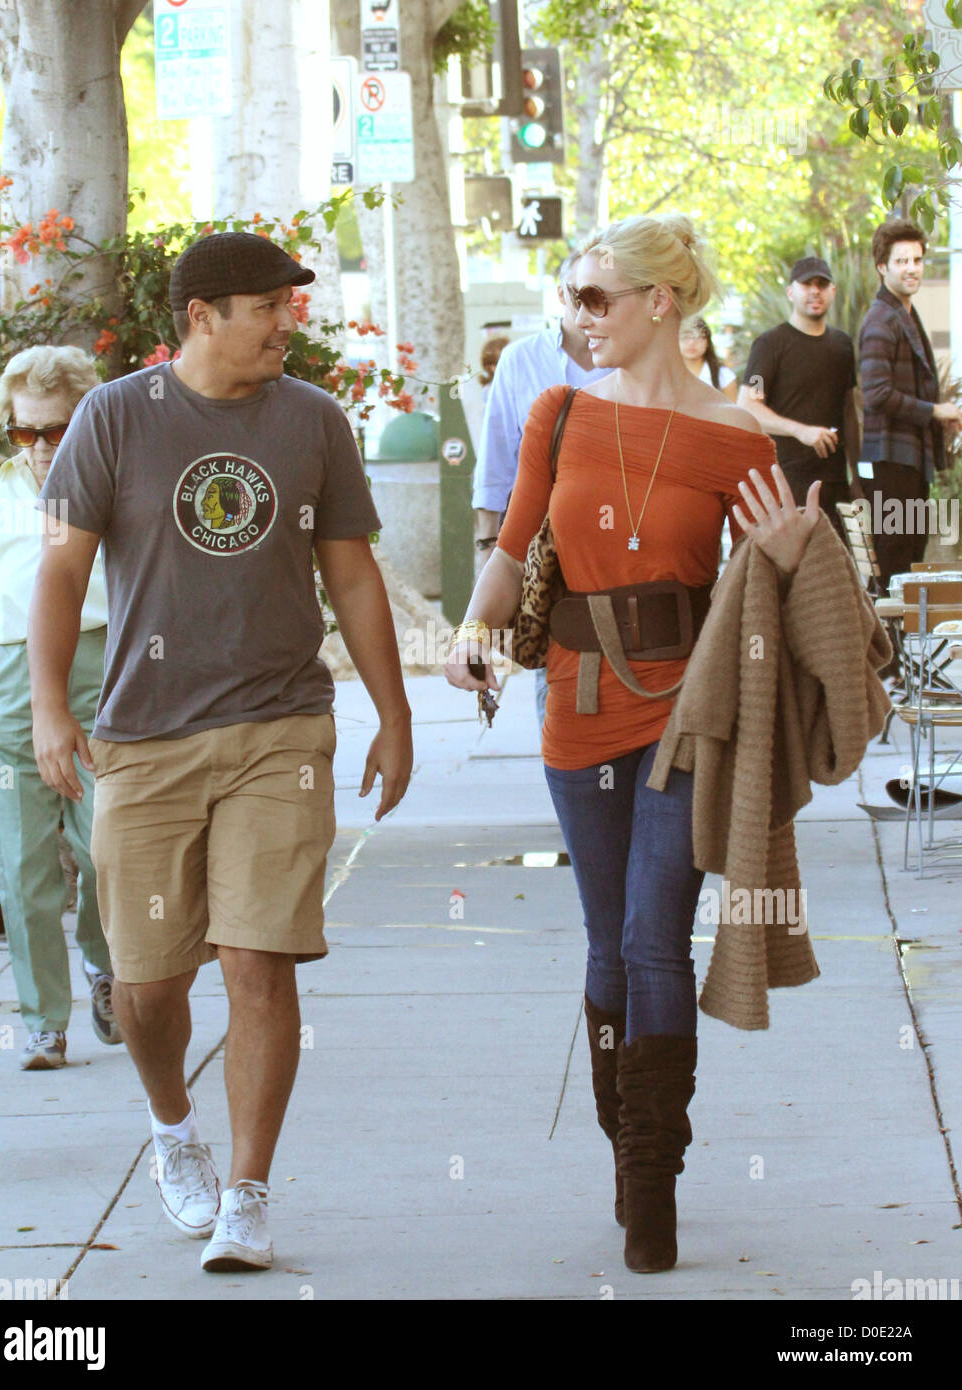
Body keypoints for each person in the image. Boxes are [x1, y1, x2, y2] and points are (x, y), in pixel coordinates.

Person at [28, 231, 413, 1274]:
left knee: (257, 961)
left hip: (280, 729)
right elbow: (62, 571)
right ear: (202, 315)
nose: (290, 325)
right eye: (270, 309)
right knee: (148, 986)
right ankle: (171, 1126)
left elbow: (356, 576)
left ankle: (248, 1190)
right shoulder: (113, 417)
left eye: (293, 306)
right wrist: (53, 707)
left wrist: (395, 711)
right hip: (143, 738)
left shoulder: (314, 422)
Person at [445, 213, 821, 1273]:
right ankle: (627, 1137)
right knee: (608, 943)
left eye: (596, 297)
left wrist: (792, 547)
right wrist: (473, 636)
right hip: (574, 708)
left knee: (657, 938)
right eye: (571, 298)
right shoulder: (557, 414)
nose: (578, 317)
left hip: (685, 716)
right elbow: (510, 553)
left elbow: (770, 588)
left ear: (662, 302)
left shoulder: (738, 438)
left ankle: (650, 1175)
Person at [0, 345, 118, 1071]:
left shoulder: (116, 484)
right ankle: (44, 1019)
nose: (43, 447)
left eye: (57, 429)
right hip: (11, 678)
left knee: (106, 851)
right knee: (23, 867)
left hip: (101, 670)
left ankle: (103, 964)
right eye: (26, 434)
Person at [471, 252, 610, 725]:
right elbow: (495, 465)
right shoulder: (520, 360)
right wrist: (487, 552)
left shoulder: (629, 362)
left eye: (603, 295)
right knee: (551, 671)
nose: (591, 307)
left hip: (620, 542)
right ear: (560, 295)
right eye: (581, 294)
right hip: (540, 548)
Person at [859, 220, 962, 587]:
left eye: (917, 260)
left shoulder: (904, 314)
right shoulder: (881, 320)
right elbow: (876, 393)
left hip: (907, 460)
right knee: (893, 568)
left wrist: (938, 418)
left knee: (907, 562)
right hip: (889, 461)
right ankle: (885, 645)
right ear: (882, 266)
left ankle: (898, 644)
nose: (912, 268)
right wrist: (934, 411)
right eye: (902, 261)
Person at [738, 256, 861, 536]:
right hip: (787, 484)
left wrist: (857, 478)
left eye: (822, 284)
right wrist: (800, 431)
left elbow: (849, 410)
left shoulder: (842, 345)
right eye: (806, 284)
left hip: (835, 484)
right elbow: (748, 404)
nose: (815, 290)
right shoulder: (769, 345)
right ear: (791, 292)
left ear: (833, 292)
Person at [678, 316, 737, 400]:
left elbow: (732, 411)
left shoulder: (724, 376)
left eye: (699, 337)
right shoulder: (665, 374)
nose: (691, 343)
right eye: (686, 337)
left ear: (708, 342)